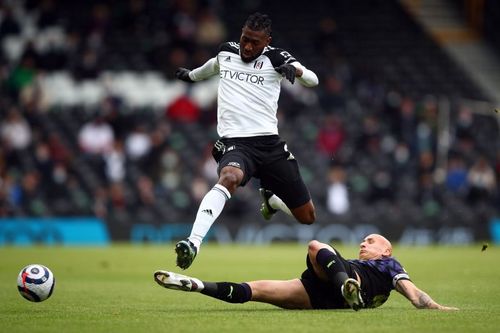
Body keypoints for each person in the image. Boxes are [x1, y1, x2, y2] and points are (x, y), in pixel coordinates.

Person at [173, 12, 319, 269]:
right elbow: (211, 67)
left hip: (270, 145)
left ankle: (272, 200)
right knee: (229, 177)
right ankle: (193, 243)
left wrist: (294, 70)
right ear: (240, 34)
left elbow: (313, 79)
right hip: (236, 143)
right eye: (245, 39)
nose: (248, 47)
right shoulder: (226, 52)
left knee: (308, 217)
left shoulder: (276, 57)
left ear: (267, 41)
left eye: (255, 42)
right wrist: (190, 77)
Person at [154, 234, 458, 311]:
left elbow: (414, 294)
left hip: (345, 283)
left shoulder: (389, 266)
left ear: (387, 250)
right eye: (363, 240)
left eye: (371, 241)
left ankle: (346, 288)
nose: (364, 243)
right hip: (320, 294)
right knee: (255, 290)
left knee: (315, 244)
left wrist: (436, 307)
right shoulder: (357, 261)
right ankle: (195, 285)